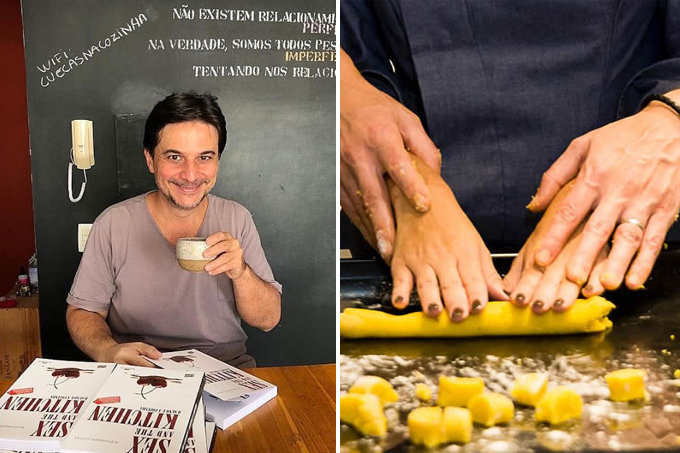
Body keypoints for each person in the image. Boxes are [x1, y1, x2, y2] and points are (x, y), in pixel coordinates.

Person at [341, 0, 680, 320]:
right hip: (403, 239)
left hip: (636, 242)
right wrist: (400, 170)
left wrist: (668, 123)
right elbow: (303, 32)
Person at [66, 91, 282, 369]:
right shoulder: (113, 224)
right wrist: (108, 350)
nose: (191, 175)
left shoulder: (236, 218)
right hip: (139, 369)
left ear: (217, 161)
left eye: (204, 157)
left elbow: (268, 319)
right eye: (175, 157)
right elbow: (82, 311)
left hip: (225, 370)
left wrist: (240, 272)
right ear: (150, 160)